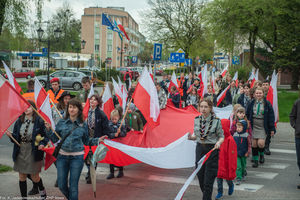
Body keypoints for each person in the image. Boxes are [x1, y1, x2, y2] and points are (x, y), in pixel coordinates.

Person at [45, 99, 107, 200]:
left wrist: (98, 140)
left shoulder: (83, 124)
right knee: (61, 185)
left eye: (74, 107)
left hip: (77, 158)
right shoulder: (61, 122)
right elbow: (55, 139)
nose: (71, 109)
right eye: (70, 107)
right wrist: (48, 131)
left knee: (73, 187)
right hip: (62, 157)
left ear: (79, 109)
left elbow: (86, 141)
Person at [6, 100, 48, 199]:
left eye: (28, 107)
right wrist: (10, 135)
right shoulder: (19, 121)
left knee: (34, 176)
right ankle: (24, 198)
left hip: (34, 150)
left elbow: (45, 137)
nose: (26, 109)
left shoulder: (39, 120)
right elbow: (16, 138)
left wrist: (42, 144)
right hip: (20, 150)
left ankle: (42, 190)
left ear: (33, 108)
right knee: (22, 176)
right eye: (24, 107)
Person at [188, 99, 224, 200]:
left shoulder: (216, 121)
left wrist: (218, 142)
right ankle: (207, 196)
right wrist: (191, 137)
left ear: (210, 108)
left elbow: (221, 136)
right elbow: (197, 136)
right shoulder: (196, 119)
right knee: (200, 177)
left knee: (209, 179)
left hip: (211, 150)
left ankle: (206, 197)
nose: (203, 109)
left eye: (206, 107)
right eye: (201, 106)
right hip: (200, 149)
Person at [246, 87, 275, 168]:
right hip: (253, 125)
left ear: (263, 94)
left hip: (262, 125)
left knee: (261, 144)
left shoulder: (267, 104)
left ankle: (261, 155)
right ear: (254, 94)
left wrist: (272, 128)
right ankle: (255, 161)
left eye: (260, 93)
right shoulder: (251, 103)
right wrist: (247, 121)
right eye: (257, 93)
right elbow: (247, 114)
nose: (258, 94)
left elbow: (271, 117)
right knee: (254, 144)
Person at [85, 94, 110, 184]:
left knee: (94, 157)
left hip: (97, 137)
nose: (92, 101)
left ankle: (91, 174)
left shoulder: (101, 114)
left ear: (98, 102)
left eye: (95, 100)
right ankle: (89, 170)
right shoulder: (86, 111)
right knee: (86, 156)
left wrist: (105, 136)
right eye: (91, 99)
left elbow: (105, 126)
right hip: (87, 137)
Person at [215, 119, 236, 200]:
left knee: (227, 177)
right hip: (219, 162)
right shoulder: (218, 138)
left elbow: (232, 155)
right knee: (219, 177)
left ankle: (231, 185)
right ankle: (220, 192)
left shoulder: (230, 139)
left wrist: (232, 167)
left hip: (227, 163)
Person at [106, 109, 128, 179]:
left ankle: (121, 171)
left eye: (115, 119)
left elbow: (124, 134)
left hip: (119, 144)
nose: (114, 120)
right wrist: (113, 135)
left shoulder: (121, 125)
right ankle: (111, 172)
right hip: (112, 144)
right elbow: (107, 134)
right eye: (112, 119)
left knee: (119, 157)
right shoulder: (109, 125)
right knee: (111, 158)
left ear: (118, 118)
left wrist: (120, 133)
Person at [233, 120, 251, 185]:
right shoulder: (235, 134)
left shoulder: (246, 135)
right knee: (238, 166)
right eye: (237, 127)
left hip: (244, 153)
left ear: (244, 127)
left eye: (240, 127)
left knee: (243, 166)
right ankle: (238, 178)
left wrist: (248, 152)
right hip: (236, 153)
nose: (238, 128)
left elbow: (249, 145)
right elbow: (233, 144)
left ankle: (243, 173)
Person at [289, 97, 300, 189]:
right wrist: (295, 125)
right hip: (299, 135)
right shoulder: (297, 102)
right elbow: (292, 116)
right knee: (299, 160)